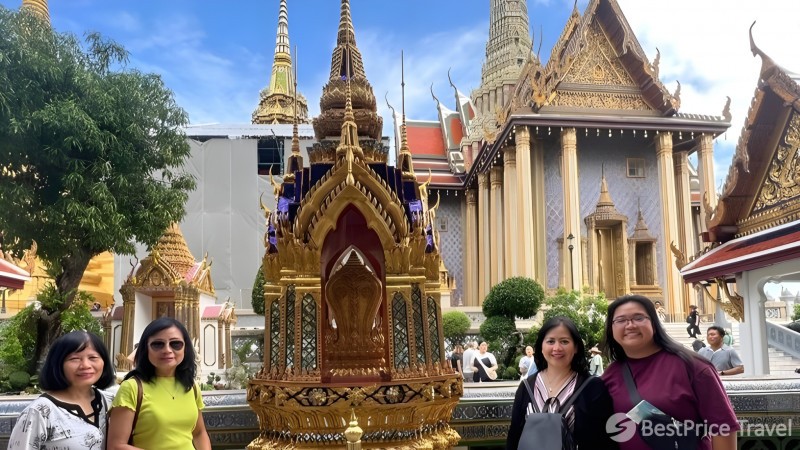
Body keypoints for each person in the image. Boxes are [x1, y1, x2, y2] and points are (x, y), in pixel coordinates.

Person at [602, 295, 739, 450]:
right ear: (611, 328)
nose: (630, 325)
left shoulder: (692, 366)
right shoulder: (610, 375)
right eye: (620, 320)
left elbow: (723, 427)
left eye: (639, 318)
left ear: (654, 323)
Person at [506, 317, 617, 450]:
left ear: (575, 347)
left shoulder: (592, 387)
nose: (557, 348)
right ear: (541, 346)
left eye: (564, 341)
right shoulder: (527, 387)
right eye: (550, 341)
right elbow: (514, 436)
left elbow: (605, 441)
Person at [107, 317, 211, 450]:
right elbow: (116, 446)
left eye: (175, 344)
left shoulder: (191, 386)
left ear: (185, 348)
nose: (167, 350)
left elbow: (199, 433)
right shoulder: (132, 387)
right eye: (158, 344)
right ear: (146, 349)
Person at [8, 331, 116, 450]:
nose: (85, 365)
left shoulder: (111, 402)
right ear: (58, 364)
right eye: (74, 359)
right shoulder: (39, 412)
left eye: (93, 357)